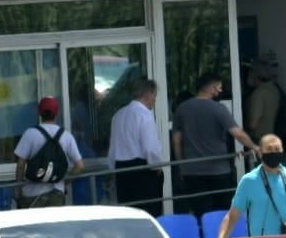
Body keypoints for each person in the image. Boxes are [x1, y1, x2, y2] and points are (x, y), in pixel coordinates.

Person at [173, 71, 257, 216]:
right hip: (219, 171)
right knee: (223, 213)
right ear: (210, 88)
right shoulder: (219, 109)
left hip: (192, 171)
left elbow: (176, 141)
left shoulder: (182, 109)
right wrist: (255, 147)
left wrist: (182, 165)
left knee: (199, 213)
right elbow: (237, 133)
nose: (220, 91)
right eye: (218, 87)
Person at [219, 135, 286, 238]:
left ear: (282, 151)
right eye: (269, 149)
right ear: (261, 153)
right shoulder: (249, 180)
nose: (274, 153)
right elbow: (232, 216)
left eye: (277, 149)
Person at [13, 97, 85, 209]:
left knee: (32, 226)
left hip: (31, 194)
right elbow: (80, 166)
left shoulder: (30, 134)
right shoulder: (66, 136)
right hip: (56, 193)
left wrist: (18, 189)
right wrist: (65, 181)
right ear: (57, 113)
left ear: (40, 112)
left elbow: (20, 165)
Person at [109, 79, 166, 217]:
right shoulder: (144, 115)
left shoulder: (118, 115)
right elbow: (150, 148)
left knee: (129, 215)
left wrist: (112, 169)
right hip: (142, 171)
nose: (155, 100)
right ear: (147, 94)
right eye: (154, 96)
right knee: (149, 214)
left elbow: (113, 147)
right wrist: (157, 166)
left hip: (121, 170)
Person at [244, 52, 282, 141]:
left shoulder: (258, 94)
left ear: (255, 75)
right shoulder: (274, 89)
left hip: (258, 140)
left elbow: (253, 124)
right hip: (271, 138)